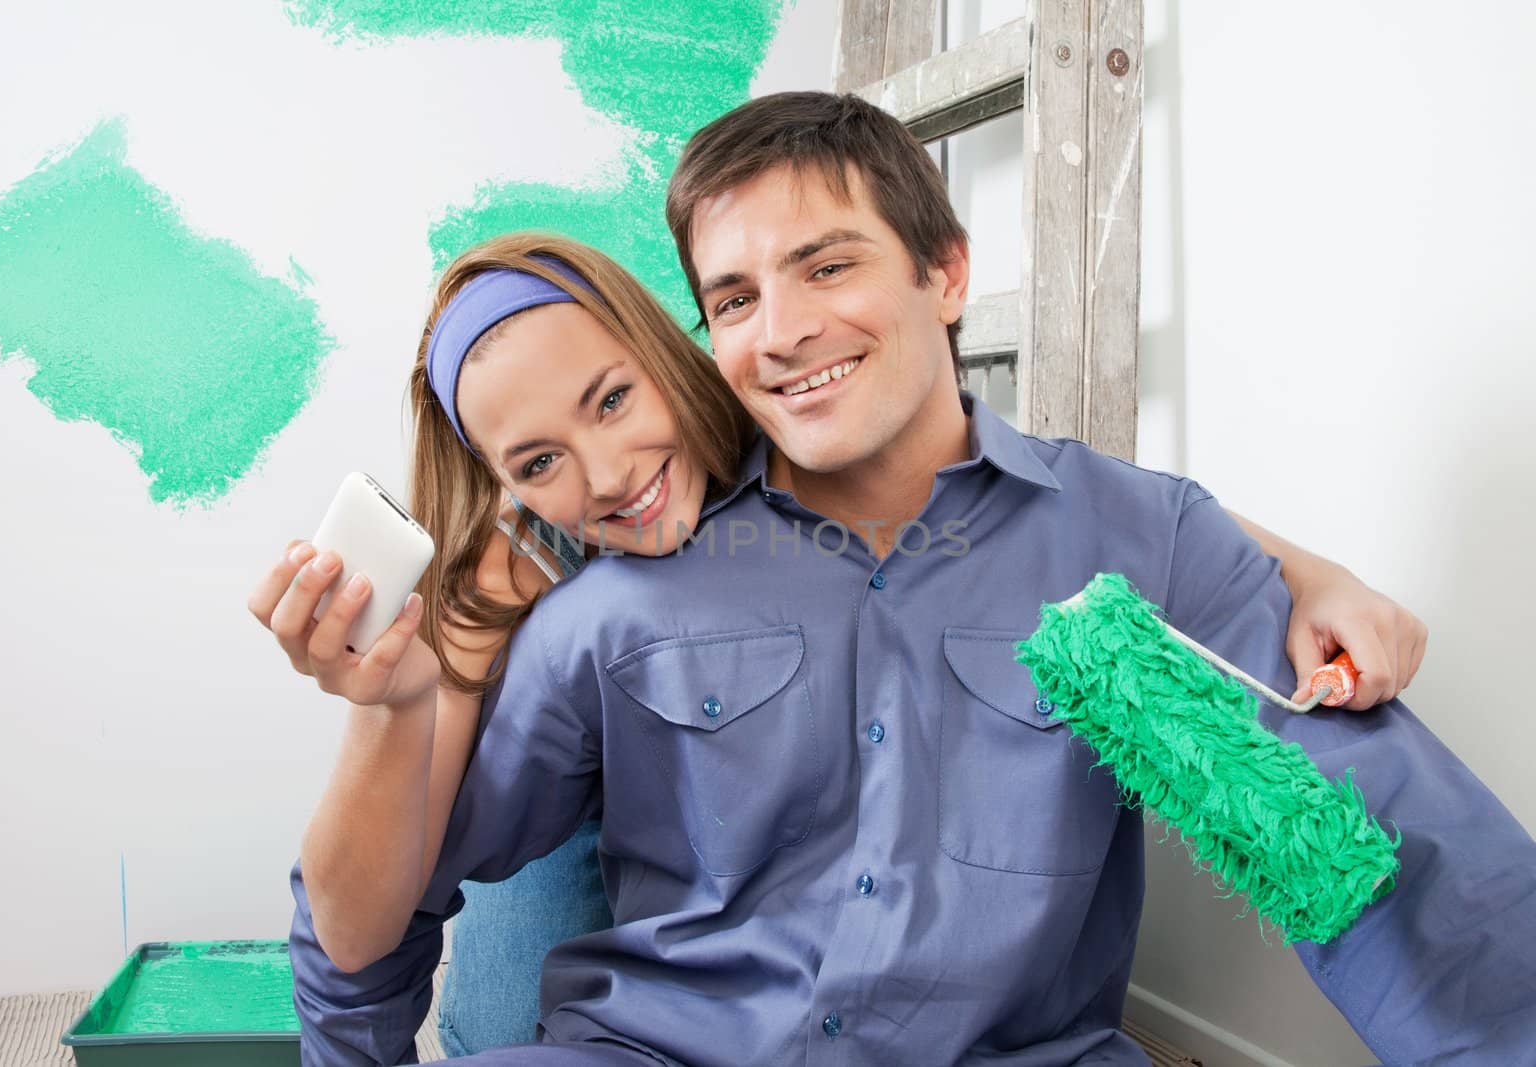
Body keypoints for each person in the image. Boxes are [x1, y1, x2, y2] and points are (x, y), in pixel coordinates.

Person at [257, 91, 1526, 1059]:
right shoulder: (605, 585)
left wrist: (1301, 564)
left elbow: (1384, 862)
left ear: (947, 271)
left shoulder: (1129, 544)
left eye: (828, 264)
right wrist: (399, 701)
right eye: (737, 297)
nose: (787, 328)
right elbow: (374, 912)